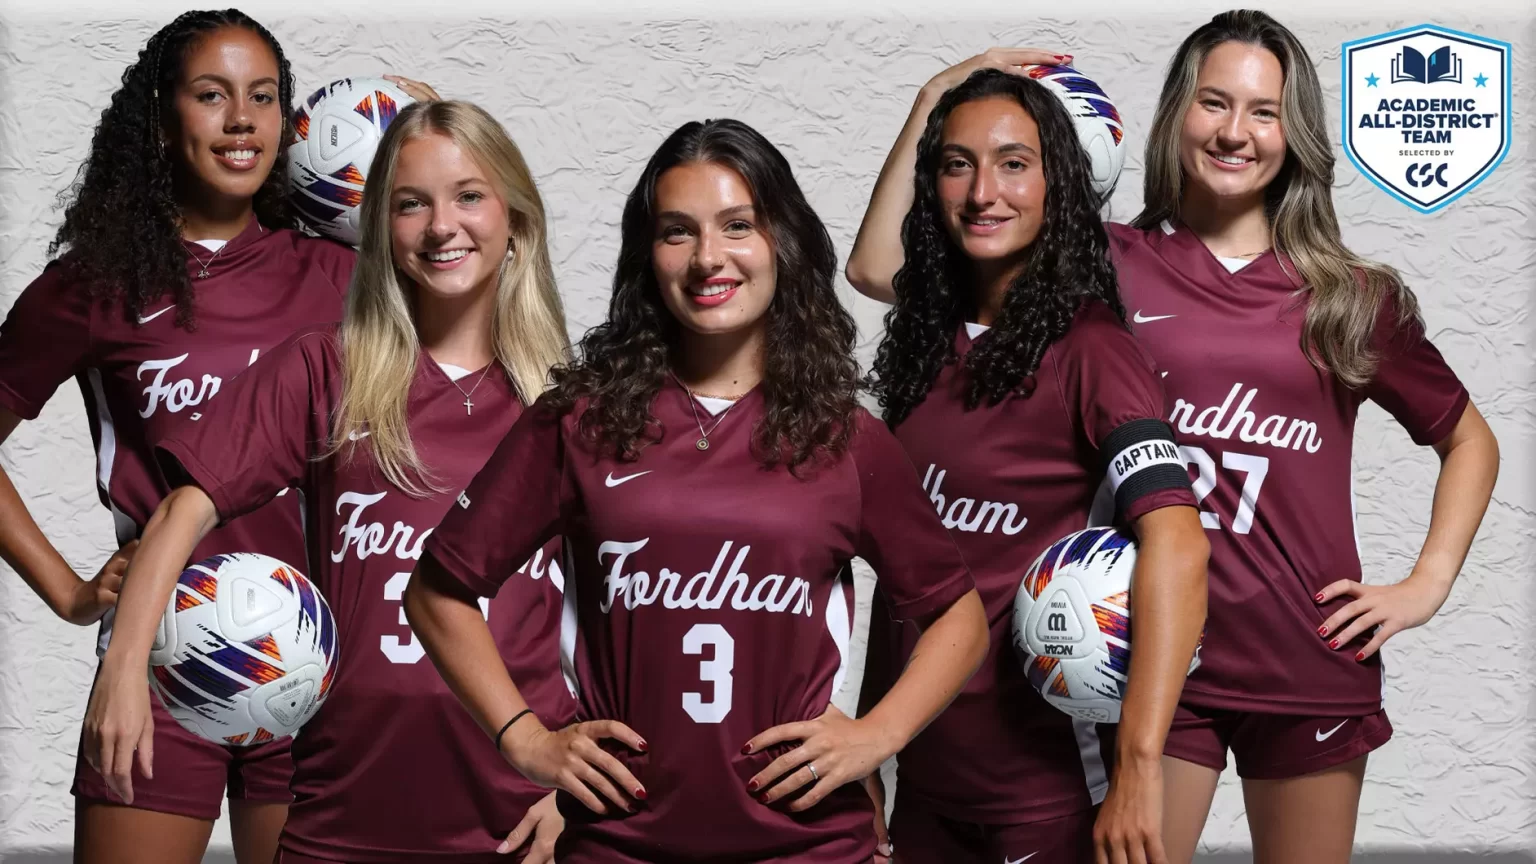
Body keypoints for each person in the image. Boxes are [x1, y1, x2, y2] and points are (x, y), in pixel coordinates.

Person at [847, 13, 1500, 864]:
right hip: (1149, 667)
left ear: (1294, 132)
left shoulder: (1350, 296)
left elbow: (1470, 441)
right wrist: (936, 99)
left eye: (1264, 112)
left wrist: (1425, 585)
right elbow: (877, 271)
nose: (1235, 131)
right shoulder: (1101, 266)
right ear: (1175, 115)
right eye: (1213, 102)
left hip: (1303, 661)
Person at [402, 118, 990, 863]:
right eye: (678, 232)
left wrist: (876, 736)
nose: (709, 257)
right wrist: (525, 741)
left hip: (805, 849)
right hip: (620, 847)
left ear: (782, 240)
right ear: (648, 256)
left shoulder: (844, 437)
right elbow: (437, 590)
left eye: (738, 225)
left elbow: (958, 617)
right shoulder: (580, 423)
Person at [78, 99, 575, 863]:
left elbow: (617, 611)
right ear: (381, 229)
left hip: (516, 821)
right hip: (341, 819)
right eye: (410, 204)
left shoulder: (569, 402)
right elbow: (186, 507)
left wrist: (571, 783)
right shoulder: (327, 369)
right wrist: (124, 669)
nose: (443, 225)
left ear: (517, 216)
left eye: (469, 195)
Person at [0, 9, 436, 862]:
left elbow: (474, 269)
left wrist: (420, 131)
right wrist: (64, 590)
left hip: (321, 660)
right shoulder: (94, 288)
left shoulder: (343, 280)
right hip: (163, 659)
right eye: (212, 95)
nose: (242, 119)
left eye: (264, 98)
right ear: (163, 119)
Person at [850, 66, 1208, 864]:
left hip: (1049, 794)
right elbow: (907, 585)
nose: (984, 191)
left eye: (1014, 163)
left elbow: (1180, 546)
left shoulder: (1092, 351)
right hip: (927, 781)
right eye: (957, 163)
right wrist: (872, 743)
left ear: (1058, 186)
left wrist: (1141, 767)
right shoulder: (921, 346)